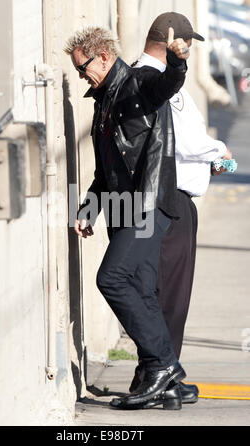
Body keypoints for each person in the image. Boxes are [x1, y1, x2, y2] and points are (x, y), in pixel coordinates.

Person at [65, 25, 192, 410]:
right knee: (143, 290)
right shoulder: (101, 101)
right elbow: (104, 172)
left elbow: (168, 84)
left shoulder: (140, 82)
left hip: (149, 204)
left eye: (83, 67)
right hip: (124, 209)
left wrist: (177, 61)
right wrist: (87, 209)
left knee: (111, 278)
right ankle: (168, 380)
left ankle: (163, 367)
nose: (81, 75)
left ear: (103, 56)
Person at [128, 12, 233, 405]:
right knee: (168, 296)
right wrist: (223, 154)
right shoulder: (162, 83)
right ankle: (160, 375)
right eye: (187, 43)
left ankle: (160, 373)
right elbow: (187, 141)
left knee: (159, 293)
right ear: (172, 40)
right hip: (170, 202)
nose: (188, 51)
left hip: (163, 198)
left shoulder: (150, 79)